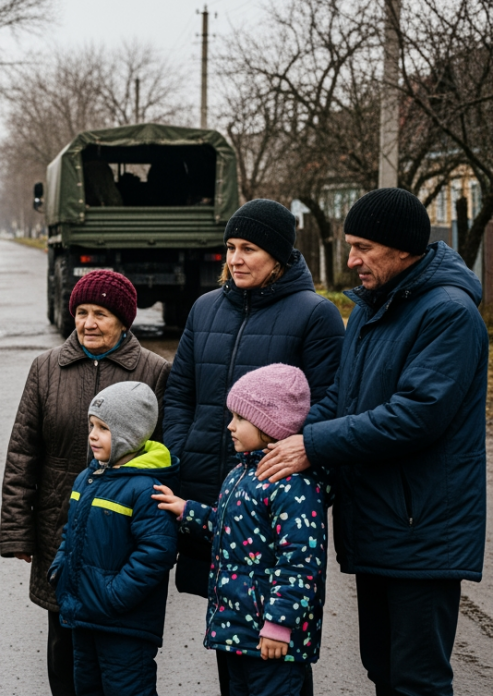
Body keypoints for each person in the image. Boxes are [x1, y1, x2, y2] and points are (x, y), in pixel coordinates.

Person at [257, 188, 488, 696]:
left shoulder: (449, 313)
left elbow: (415, 416)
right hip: (379, 522)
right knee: (382, 668)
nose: (350, 260)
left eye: (362, 246)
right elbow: (343, 395)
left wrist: (311, 446)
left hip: (422, 528)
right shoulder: (370, 307)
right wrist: (282, 437)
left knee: (417, 680)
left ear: (403, 248)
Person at [162, 198, 343, 695]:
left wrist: (299, 457)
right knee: (231, 629)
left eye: (249, 249)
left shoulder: (316, 316)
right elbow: (180, 393)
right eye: (230, 248)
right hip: (215, 497)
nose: (235, 259)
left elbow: (331, 403)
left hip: (276, 499)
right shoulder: (204, 308)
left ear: (280, 256)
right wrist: (182, 452)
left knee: (274, 652)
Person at [1, 269, 171, 696]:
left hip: (120, 536)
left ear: (124, 320)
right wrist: (18, 531)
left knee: (119, 654)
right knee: (63, 651)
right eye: (81, 312)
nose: (88, 323)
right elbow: (23, 454)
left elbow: (166, 456)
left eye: (100, 313)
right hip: (60, 531)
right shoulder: (45, 368)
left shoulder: (153, 371)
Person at [154, 364, 327, 696]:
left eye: (240, 418)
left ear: (269, 424)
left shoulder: (293, 486)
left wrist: (279, 624)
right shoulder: (241, 474)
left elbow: (301, 562)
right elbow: (230, 527)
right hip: (237, 629)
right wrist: (186, 510)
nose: (230, 425)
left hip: (272, 635)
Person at [47, 381, 178, 696]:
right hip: (83, 616)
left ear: (129, 435)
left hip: (124, 625)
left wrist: (115, 595)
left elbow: (157, 552)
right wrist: (59, 568)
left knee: (128, 689)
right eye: (91, 425)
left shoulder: (146, 489)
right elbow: (72, 531)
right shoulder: (88, 477)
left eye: (103, 428)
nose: (92, 434)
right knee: (87, 688)